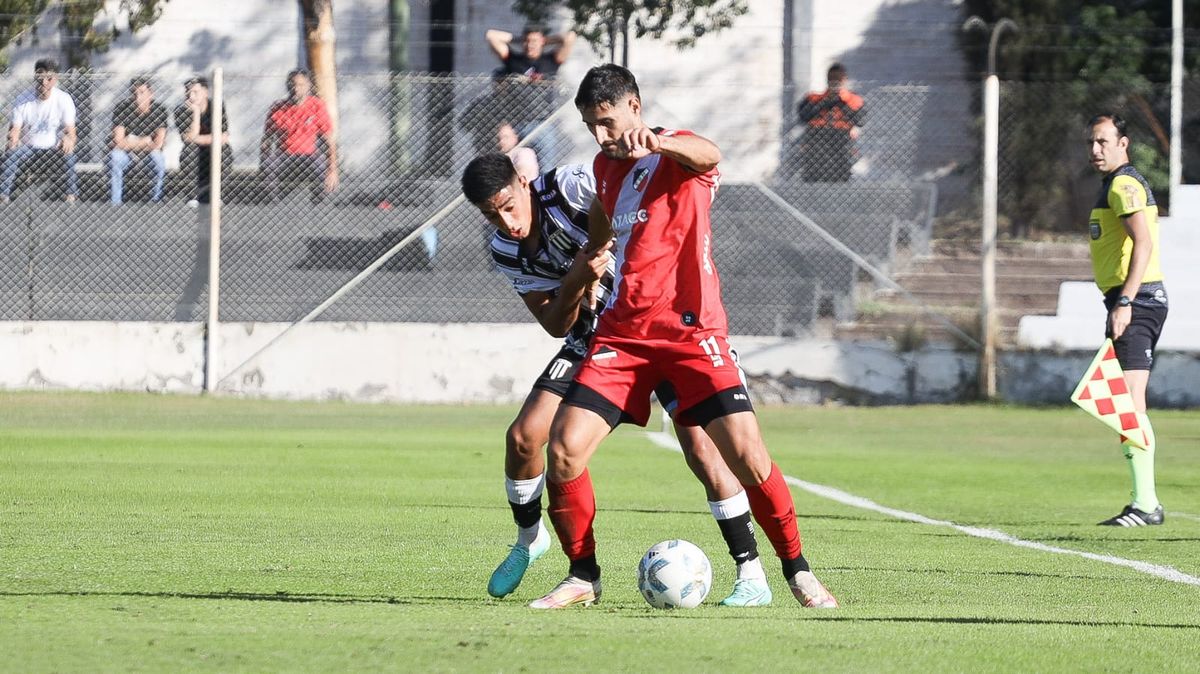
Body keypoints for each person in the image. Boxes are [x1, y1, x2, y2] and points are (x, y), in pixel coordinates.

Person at [528, 64, 838, 610]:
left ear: (634, 108)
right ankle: (583, 576)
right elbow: (603, 217)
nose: (600, 136)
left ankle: (797, 571)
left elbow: (710, 153)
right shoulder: (603, 166)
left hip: (694, 335)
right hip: (623, 338)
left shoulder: (677, 159)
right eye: (590, 125)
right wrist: (590, 259)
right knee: (564, 450)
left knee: (745, 456)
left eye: (606, 121)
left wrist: (662, 142)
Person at [461, 153, 775, 607]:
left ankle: (752, 573)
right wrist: (575, 279)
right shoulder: (505, 250)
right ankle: (535, 542)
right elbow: (555, 323)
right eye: (493, 215)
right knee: (524, 437)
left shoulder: (570, 186)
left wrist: (604, 245)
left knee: (705, 451)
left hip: (658, 329)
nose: (507, 222)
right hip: (596, 339)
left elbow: (630, 193)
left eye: (510, 205)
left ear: (524, 182)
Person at [1085, 113, 1169, 527]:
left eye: (1103, 141)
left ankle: (1146, 504)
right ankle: (1145, 501)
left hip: (1137, 301)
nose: (1096, 150)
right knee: (1125, 404)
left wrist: (1126, 302)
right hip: (1131, 300)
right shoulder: (1114, 184)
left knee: (1130, 405)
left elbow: (1144, 242)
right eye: (1092, 143)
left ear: (1124, 143)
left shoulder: (1123, 184)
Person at [0, 59, 77, 204]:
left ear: (55, 79)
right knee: (11, 154)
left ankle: (70, 196)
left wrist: (68, 139)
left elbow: (71, 133)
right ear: (35, 77)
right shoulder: (23, 100)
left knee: (70, 155)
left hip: (53, 148)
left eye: (49, 78)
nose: (44, 82)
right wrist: (13, 140)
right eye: (41, 78)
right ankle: (3, 197)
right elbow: (15, 130)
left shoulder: (64, 99)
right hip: (29, 148)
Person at [261, 69, 338, 203]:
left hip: (310, 155)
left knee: (320, 166)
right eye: (293, 85)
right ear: (287, 86)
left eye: (301, 85)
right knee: (269, 165)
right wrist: (265, 158)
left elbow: (329, 141)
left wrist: (332, 169)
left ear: (309, 86)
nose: (296, 89)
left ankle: (318, 203)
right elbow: (267, 139)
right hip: (285, 155)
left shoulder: (317, 106)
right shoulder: (277, 108)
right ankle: (272, 203)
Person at [796, 63, 864, 183]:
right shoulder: (814, 98)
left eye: (838, 79)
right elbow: (804, 116)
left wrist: (840, 102)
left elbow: (860, 120)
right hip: (817, 139)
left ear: (844, 80)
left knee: (842, 177)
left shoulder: (853, 99)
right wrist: (825, 102)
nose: (835, 82)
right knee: (812, 176)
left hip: (841, 139)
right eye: (832, 78)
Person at [108, 76, 168, 204]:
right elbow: (118, 142)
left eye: (142, 93)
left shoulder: (159, 110)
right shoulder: (122, 108)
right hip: (128, 155)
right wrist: (145, 141)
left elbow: (158, 144)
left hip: (148, 156)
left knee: (158, 159)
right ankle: (115, 202)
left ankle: (155, 199)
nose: (137, 97)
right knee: (115, 156)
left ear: (151, 94)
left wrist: (130, 142)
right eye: (134, 93)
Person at [175, 76, 232, 206]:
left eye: (195, 92)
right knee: (189, 151)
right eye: (188, 92)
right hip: (195, 148)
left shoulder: (217, 106)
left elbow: (223, 137)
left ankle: (218, 195)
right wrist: (195, 112)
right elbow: (188, 138)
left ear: (205, 92)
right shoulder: (181, 110)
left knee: (224, 150)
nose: (191, 96)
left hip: (214, 147)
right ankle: (193, 196)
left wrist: (199, 139)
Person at [485, 25, 576, 82]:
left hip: (544, 111)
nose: (530, 45)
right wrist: (519, 39)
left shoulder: (552, 60)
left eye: (534, 41)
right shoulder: (513, 59)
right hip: (516, 110)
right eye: (526, 41)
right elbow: (491, 35)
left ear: (542, 41)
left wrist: (545, 41)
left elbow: (570, 37)